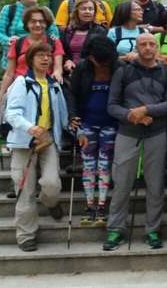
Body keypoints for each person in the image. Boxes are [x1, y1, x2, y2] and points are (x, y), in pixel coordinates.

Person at [103, 34, 167, 251]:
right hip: (128, 132)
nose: (148, 48)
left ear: (157, 47)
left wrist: (146, 110)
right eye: (143, 44)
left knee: (155, 185)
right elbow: (112, 105)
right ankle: (115, 229)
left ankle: (152, 230)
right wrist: (132, 115)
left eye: (151, 44)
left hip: (156, 133)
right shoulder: (123, 72)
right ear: (136, 48)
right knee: (121, 183)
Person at [4, 42, 68, 252]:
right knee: (25, 191)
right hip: (23, 142)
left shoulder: (54, 85)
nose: (45, 59)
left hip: (47, 140)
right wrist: (30, 128)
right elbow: (11, 113)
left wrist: (72, 129)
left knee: (52, 184)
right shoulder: (21, 83)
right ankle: (26, 235)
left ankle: (50, 202)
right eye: (40, 55)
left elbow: (63, 115)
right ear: (30, 59)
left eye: (48, 55)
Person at [66, 36, 119, 224]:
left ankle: (102, 205)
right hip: (86, 123)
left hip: (111, 124)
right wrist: (73, 117)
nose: (100, 63)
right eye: (97, 60)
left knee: (105, 164)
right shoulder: (82, 67)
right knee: (89, 164)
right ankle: (89, 205)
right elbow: (72, 94)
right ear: (89, 56)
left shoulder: (117, 67)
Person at [0, 6, 65, 107]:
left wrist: (57, 76)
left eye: (41, 21)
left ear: (46, 24)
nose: (37, 24)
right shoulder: (17, 43)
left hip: (45, 90)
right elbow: (9, 74)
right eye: (33, 21)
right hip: (20, 90)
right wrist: (0, 99)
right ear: (27, 24)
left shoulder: (54, 42)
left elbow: (58, 69)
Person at [0, 0, 59, 69]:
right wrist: (9, 40)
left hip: (41, 62)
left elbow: (54, 34)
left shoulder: (45, 11)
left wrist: (52, 39)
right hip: (14, 63)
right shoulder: (9, 9)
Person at [61, 0, 109, 73]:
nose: (87, 11)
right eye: (83, 9)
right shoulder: (68, 31)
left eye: (90, 9)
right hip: (68, 71)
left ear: (94, 12)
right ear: (77, 11)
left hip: (91, 72)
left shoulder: (100, 31)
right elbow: (62, 51)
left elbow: (103, 54)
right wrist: (67, 60)